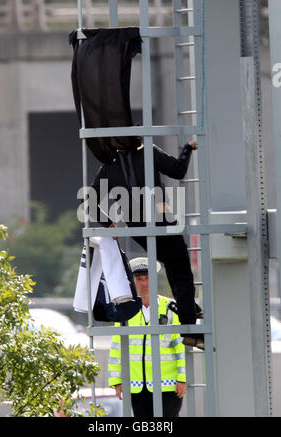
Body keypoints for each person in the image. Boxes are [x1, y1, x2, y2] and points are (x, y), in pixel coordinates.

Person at [91, 140, 205, 349]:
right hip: (161, 222)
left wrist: (108, 223)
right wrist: (187, 148)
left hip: (138, 229)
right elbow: (178, 171)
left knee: (172, 264)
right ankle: (190, 327)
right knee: (181, 270)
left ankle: (188, 307)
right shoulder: (147, 152)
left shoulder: (108, 166)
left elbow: (89, 201)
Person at [108, 257, 186, 417]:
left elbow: (182, 345)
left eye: (147, 278)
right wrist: (116, 380)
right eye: (139, 279)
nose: (144, 283)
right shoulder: (125, 310)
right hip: (136, 386)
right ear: (132, 280)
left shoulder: (171, 308)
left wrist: (183, 378)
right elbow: (117, 347)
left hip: (168, 386)